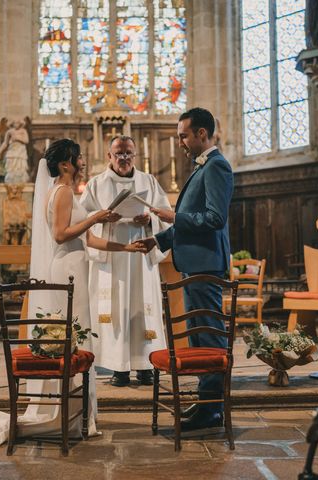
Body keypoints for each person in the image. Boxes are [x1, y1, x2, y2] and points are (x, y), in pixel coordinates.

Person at [19, 139, 145, 437]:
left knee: (77, 336)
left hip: (76, 267)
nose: (82, 161)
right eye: (77, 157)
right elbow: (61, 234)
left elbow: (89, 240)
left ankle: (80, 414)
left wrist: (126, 247)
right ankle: (71, 413)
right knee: (72, 337)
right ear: (65, 164)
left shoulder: (69, 193)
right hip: (66, 270)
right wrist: (96, 217)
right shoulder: (61, 192)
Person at [139, 107, 234, 431]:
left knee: (208, 335)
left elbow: (214, 219)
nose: (180, 141)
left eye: (183, 135)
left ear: (201, 134)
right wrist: (159, 240)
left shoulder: (217, 166)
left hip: (206, 264)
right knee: (199, 336)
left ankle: (214, 407)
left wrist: (174, 216)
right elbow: (194, 223)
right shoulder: (203, 168)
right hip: (196, 264)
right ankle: (207, 403)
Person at [80, 135, 170, 387]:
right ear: (109, 156)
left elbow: (164, 213)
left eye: (128, 153)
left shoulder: (148, 181)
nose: (124, 158)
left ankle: (145, 366)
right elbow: (82, 218)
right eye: (119, 153)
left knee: (142, 307)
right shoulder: (96, 184)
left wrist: (150, 220)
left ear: (135, 155)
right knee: (118, 309)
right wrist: (101, 218)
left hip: (141, 254)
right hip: (113, 258)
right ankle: (119, 368)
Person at [0, 119, 30, 184]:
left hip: (20, 150)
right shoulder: (9, 132)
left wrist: (18, 138)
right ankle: (11, 176)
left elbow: (26, 140)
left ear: (20, 124)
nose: (16, 125)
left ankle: (20, 176)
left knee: (20, 165)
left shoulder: (23, 131)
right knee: (11, 164)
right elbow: (5, 143)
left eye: (18, 123)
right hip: (12, 149)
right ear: (12, 124)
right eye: (15, 123)